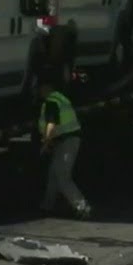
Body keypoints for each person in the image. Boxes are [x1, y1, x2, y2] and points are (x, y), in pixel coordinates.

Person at [36, 69, 92, 220]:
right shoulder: (61, 98)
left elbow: (51, 124)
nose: (38, 92)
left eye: (39, 88)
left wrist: (46, 142)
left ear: (45, 87)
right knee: (54, 174)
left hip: (67, 141)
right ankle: (47, 206)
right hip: (67, 140)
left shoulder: (51, 101)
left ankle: (82, 207)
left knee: (62, 175)